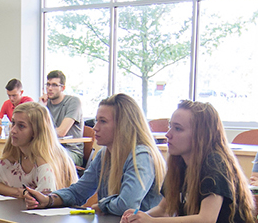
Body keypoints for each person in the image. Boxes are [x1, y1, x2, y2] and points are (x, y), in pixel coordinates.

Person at [124, 100, 256, 223]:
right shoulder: (180, 163)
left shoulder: (215, 163)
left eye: (178, 128)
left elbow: (206, 221)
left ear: (200, 136)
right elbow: (164, 209)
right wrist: (137, 219)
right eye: (170, 127)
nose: (168, 134)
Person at [25, 93, 166, 216]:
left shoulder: (142, 156)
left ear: (124, 125)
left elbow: (126, 205)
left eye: (103, 121)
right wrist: (49, 200)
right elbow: (78, 192)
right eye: (96, 120)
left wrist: (102, 205)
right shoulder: (105, 154)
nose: (95, 128)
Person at [0, 101, 77, 198]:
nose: (13, 130)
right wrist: (21, 192)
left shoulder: (44, 162)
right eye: (13, 123)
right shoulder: (15, 153)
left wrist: (21, 194)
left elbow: (43, 199)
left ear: (36, 131)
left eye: (21, 126)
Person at [44, 69, 86, 165]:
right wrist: (41, 106)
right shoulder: (45, 104)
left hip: (71, 152)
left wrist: (39, 132)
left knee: (46, 158)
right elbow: (34, 127)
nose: (50, 88)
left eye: (54, 85)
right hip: (50, 148)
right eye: (48, 84)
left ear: (63, 88)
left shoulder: (73, 102)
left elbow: (61, 132)